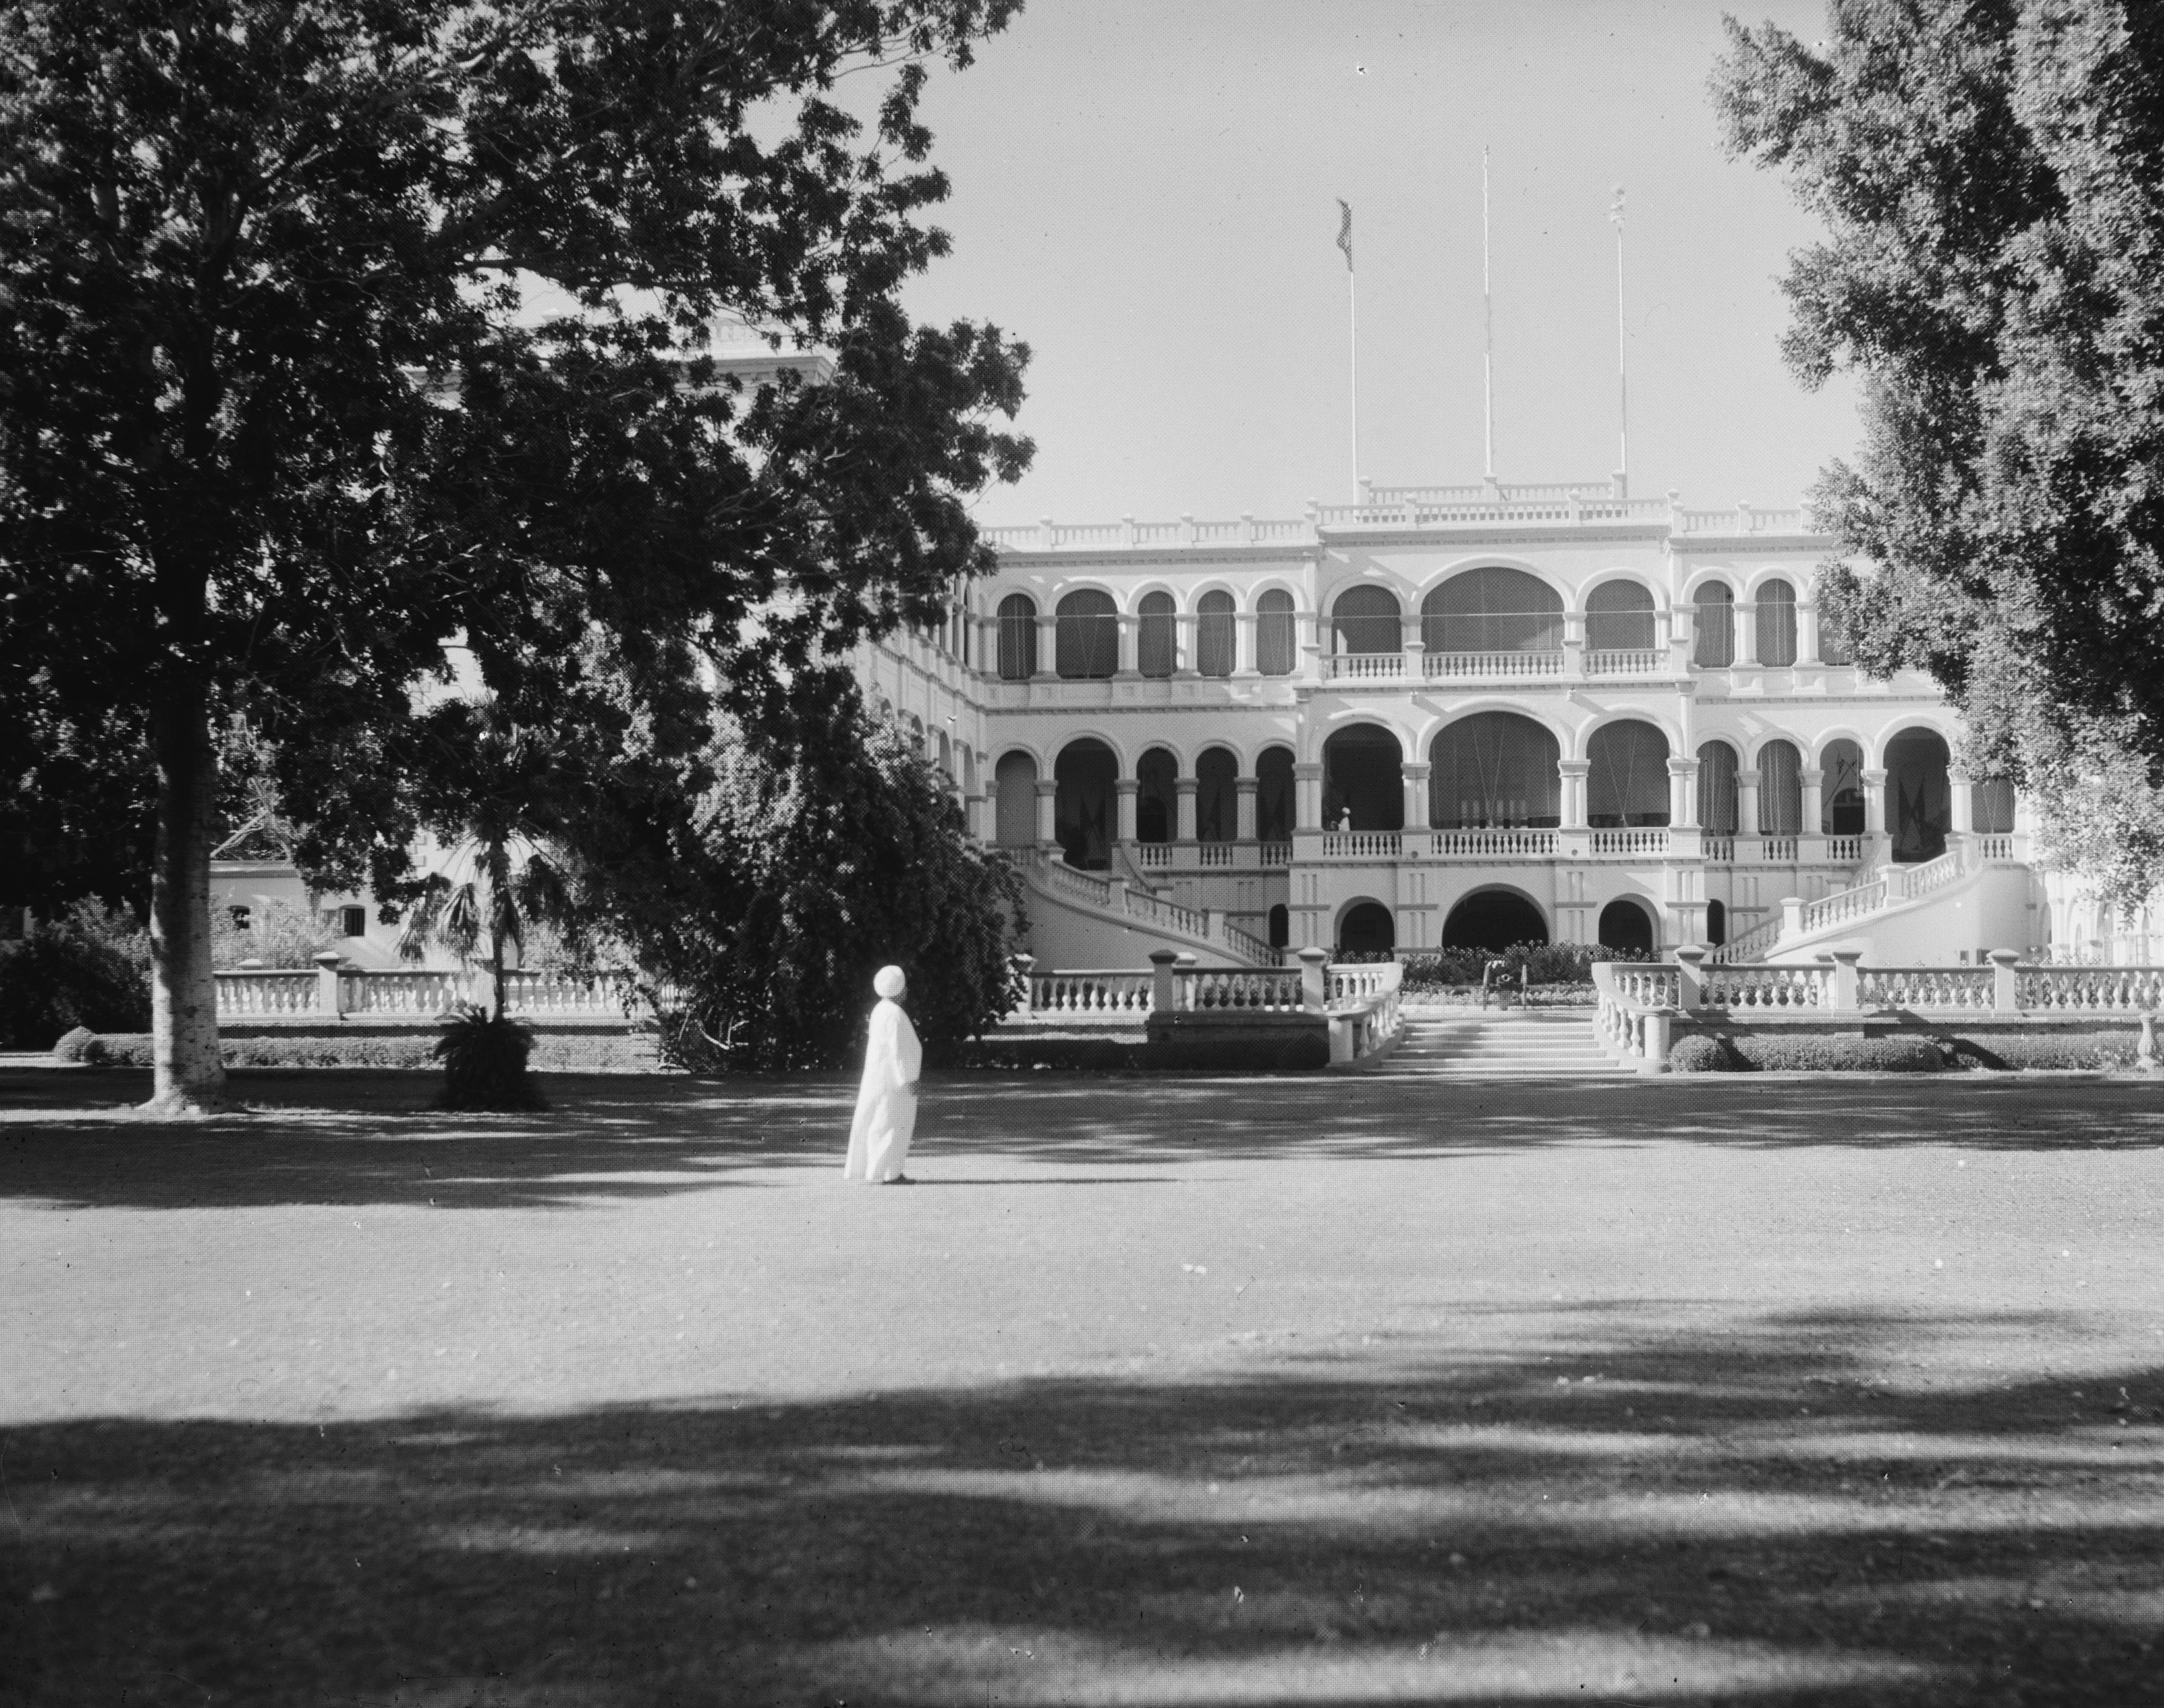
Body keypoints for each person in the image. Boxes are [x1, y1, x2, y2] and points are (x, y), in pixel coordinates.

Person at [844, 965, 921, 1184]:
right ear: (900, 990)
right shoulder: (894, 1013)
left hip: (882, 1078)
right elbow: (898, 1049)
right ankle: (886, 1173)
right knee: (890, 1124)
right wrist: (908, 1079)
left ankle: (878, 1170)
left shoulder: (881, 1010)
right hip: (893, 1081)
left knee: (879, 1122)